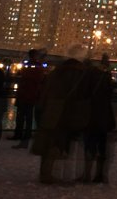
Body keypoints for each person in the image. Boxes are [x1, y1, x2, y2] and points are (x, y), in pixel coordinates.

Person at [31, 56, 85, 186]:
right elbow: (77, 96)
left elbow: (43, 94)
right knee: (56, 143)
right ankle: (49, 174)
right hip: (62, 112)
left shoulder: (54, 74)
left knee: (48, 142)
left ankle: (45, 173)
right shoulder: (73, 77)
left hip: (49, 111)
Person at [78, 57, 115, 184]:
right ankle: (100, 175)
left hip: (90, 115)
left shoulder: (87, 77)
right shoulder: (105, 78)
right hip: (104, 115)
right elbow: (110, 94)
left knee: (89, 144)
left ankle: (87, 174)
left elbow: (82, 94)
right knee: (102, 146)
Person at [11, 51, 45, 147]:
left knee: (21, 116)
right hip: (31, 95)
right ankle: (26, 135)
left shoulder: (28, 66)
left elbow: (23, 75)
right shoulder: (38, 66)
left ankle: (20, 135)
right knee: (28, 117)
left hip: (25, 95)